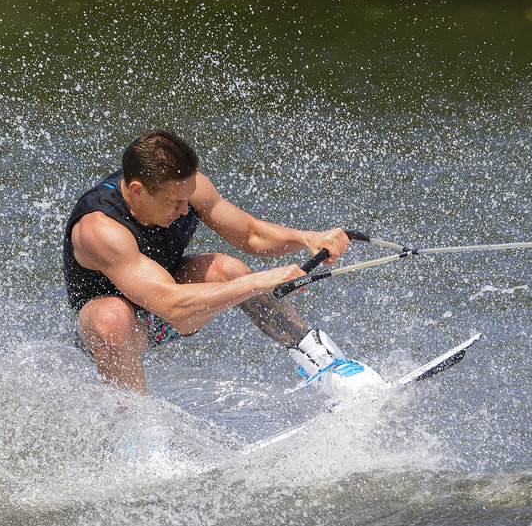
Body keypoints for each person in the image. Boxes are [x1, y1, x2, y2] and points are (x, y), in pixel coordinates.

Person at [62, 129, 386, 396]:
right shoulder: (99, 229)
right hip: (113, 329)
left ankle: (326, 363)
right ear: (137, 190)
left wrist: (309, 238)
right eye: (175, 202)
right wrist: (259, 281)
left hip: (168, 294)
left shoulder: (185, 187)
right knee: (111, 316)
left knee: (226, 268)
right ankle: (135, 431)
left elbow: (251, 235)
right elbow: (175, 311)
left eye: (188, 198)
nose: (186, 210)